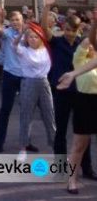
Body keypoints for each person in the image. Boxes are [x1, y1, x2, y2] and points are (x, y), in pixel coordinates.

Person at [40, 0, 97, 179]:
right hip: (62, 93)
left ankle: (87, 169)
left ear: (79, 29)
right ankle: (60, 169)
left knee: (83, 132)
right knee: (61, 131)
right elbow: (44, 29)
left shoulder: (82, 46)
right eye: (67, 29)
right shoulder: (56, 43)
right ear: (63, 28)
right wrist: (47, 7)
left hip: (81, 94)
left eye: (74, 30)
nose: (70, 33)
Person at [0, 8, 38, 153]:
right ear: (9, 22)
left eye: (17, 19)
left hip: (26, 76)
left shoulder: (28, 34)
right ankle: (0, 142)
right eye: (12, 20)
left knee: (27, 111)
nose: (15, 22)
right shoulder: (7, 34)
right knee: (6, 109)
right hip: (10, 75)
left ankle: (27, 141)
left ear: (22, 21)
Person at [13, 26, 55, 163]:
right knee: (26, 116)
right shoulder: (24, 51)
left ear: (41, 38)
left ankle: (57, 148)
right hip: (28, 83)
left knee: (49, 115)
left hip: (44, 83)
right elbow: (14, 45)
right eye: (30, 36)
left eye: (36, 36)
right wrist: (21, 33)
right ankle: (23, 148)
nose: (33, 39)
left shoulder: (47, 50)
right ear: (26, 39)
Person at [65, 22, 97, 194]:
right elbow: (87, 42)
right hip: (84, 103)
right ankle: (71, 180)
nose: (92, 45)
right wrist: (94, 27)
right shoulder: (80, 59)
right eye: (90, 43)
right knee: (79, 145)